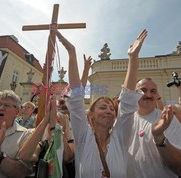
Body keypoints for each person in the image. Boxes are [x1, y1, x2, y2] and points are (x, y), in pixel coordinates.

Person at [56, 25, 147, 177]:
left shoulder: (120, 137)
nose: (109, 111)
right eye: (103, 107)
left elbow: (128, 102)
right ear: (90, 114)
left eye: (111, 109)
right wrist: (71, 52)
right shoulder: (83, 136)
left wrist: (133, 58)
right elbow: (77, 99)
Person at [127, 76, 181, 177]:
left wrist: (160, 138)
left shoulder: (168, 120)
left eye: (153, 91)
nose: (148, 95)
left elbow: (180, 167)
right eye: (143, 90)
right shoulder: (126, 120)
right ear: (134, 93)